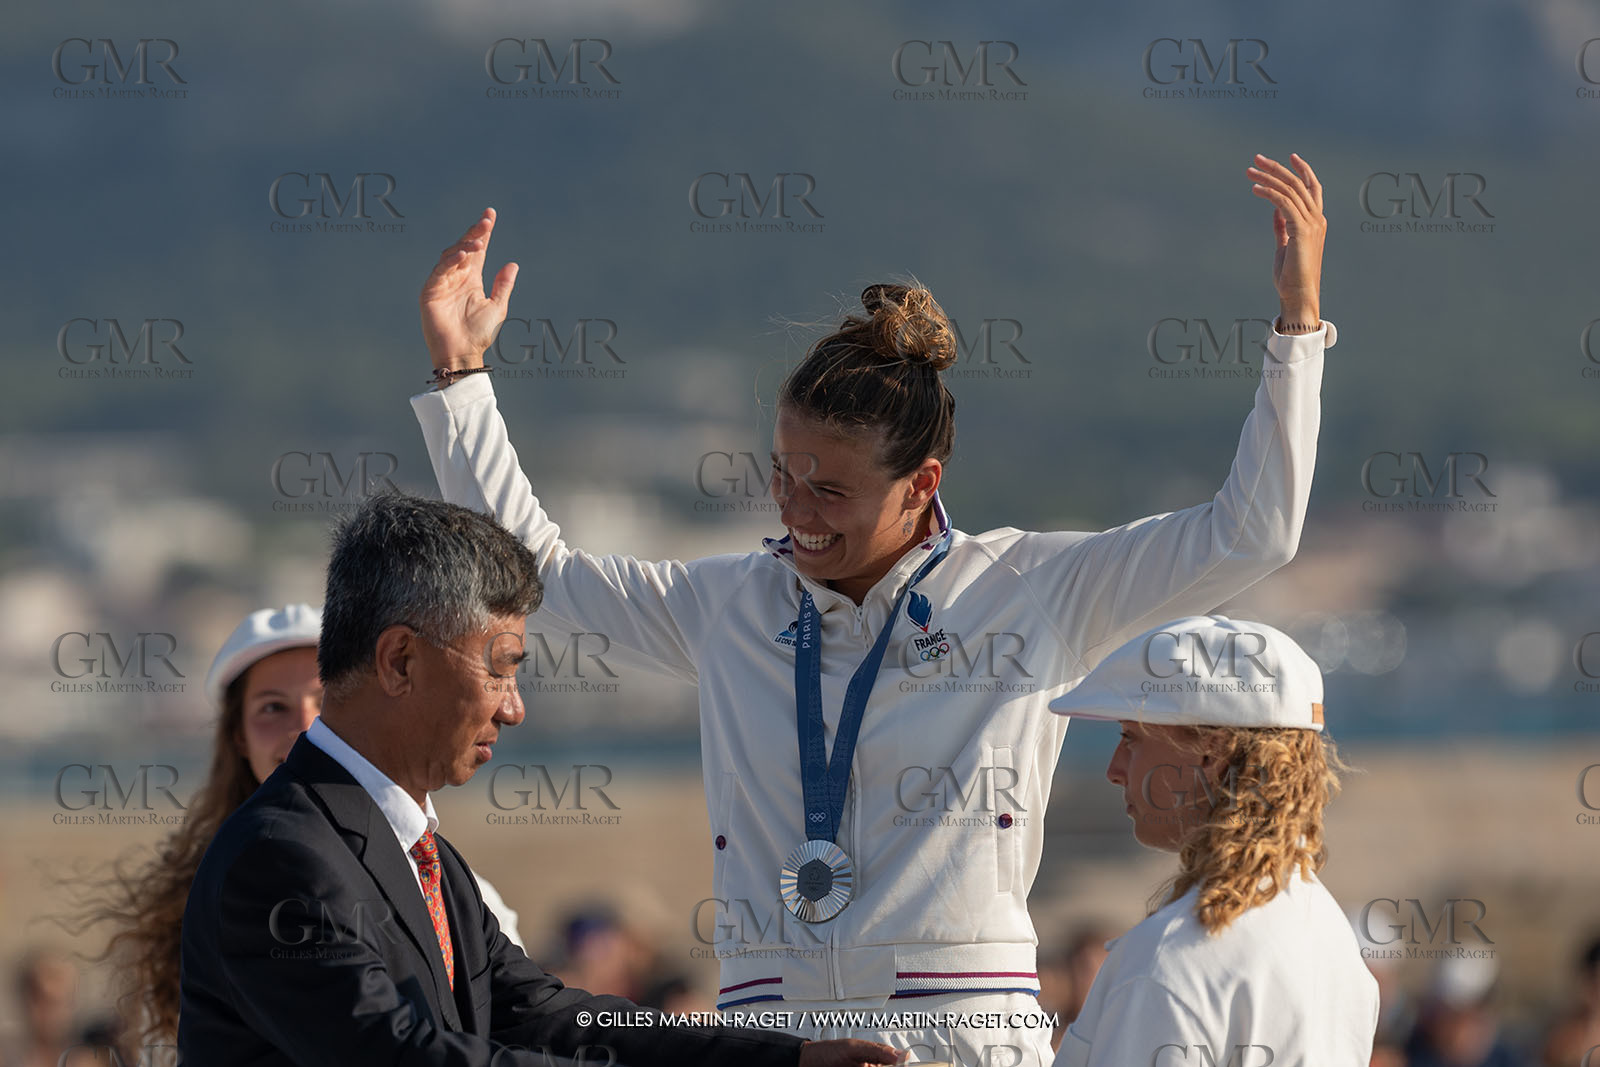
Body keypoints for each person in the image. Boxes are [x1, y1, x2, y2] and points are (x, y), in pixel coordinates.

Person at [410, 152, 1330, 1063]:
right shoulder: (730, 601)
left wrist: (1296, 331)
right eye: (784, 475)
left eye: (831, 490)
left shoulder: (1032, 588)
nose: (797, 510)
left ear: (922, 482)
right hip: (769, 1034)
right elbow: (542, 572)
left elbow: (1249, 536)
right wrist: (462, 383)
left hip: (961, 1036)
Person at [177, 493, 900, 1067]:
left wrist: (787, 1060)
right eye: (501, 666)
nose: (515, 707)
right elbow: (401, 1054)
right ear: (400, 661)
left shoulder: (424, 856)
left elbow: (552, 1016)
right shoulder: (278, 854)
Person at [65, 602, 525, 1051]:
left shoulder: (447, 885)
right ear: (238, 735)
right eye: (272, 708)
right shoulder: (205, 894)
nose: (303, 727)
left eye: (322, 701)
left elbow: (516, 1016)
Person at [1046, 614, 1378, 1066]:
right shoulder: (1332, 937)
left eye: (1131, 738)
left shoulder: (1170, 959)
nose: (1113, 768)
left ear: (1211, 752)